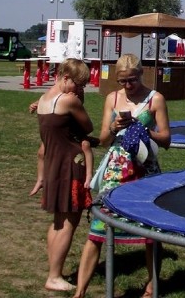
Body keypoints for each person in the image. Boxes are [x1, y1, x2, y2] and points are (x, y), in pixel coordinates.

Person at [73, 54, 171, 298]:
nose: (127, 86)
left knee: (151, 233)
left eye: (132, 81)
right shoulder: (112, 99)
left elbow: (167, 139)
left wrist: (145, 131)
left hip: (145, 171)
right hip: (116, 171)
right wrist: (114, 129)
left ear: (141, 75)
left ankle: (151, 287)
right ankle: (80, 291)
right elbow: (104, 139)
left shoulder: (155, 99)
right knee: (97, 230)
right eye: (122, 81)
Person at [34, 58, 93, 293]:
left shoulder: (43, 99)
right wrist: (80, 99)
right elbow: (87, 126)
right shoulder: (69, 100)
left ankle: (54, 271)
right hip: (71, 165)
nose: (80, 90)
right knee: (69, 221)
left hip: (53, 164)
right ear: (65, 78)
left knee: (58, 221)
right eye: (78, 84)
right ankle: (55, 276)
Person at [29, 85, 96, 197]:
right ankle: (40, 179)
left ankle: (89, 175)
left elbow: (79, 104)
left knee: (85, 145)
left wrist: (74, 97)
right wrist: (35, 104)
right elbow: (48, 99)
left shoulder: (76, 91)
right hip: (60, 132)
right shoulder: (58, 91)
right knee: (41, 152)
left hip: (74, 129)